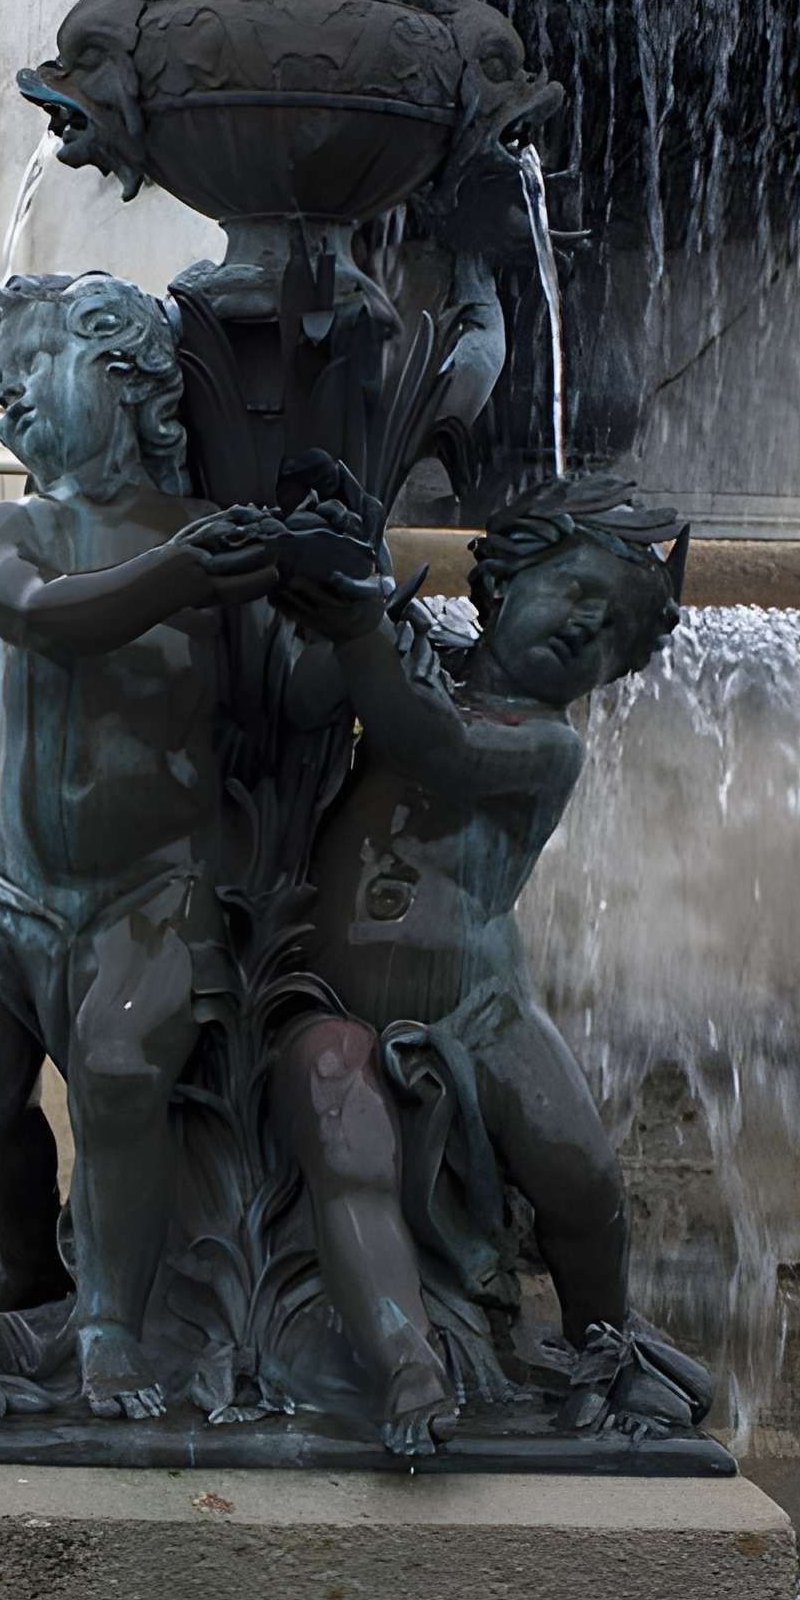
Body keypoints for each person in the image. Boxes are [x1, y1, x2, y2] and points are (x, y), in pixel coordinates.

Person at [0, 272, 278, 1419]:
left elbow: (289, 697)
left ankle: (108, 1320)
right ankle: (24, 1259)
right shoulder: (15, 530)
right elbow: (31, 614)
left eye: (30, 380)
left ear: (132, 380)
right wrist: (175, 580)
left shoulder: (212, 544)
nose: (9, 413)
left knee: (116, 1083)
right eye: (0, 396)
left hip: (144, 898)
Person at [274, 482, 691, 1455]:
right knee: (346, 1141)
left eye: (612, 633)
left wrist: (364, 623)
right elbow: (303, 701)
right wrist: (338, 594)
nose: (586, 627)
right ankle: (407, 1360)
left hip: (479, 1004)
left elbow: (436, 742)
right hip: (326, 997)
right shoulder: (412, 661)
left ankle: (601, 1340)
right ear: (499, 582)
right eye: (574, 590)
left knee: (579, 1176)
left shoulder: (545, 744)